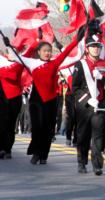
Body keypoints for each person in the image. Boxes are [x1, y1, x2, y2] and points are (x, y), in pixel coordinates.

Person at [6, 28, 83, 165]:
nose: (47, 53)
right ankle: (36, 152)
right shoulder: (32, 62)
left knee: (48, 129)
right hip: (36, 101)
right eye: (45, 51)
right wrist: (7, 45)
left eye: (49, 51)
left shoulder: (55, 63)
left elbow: (66, 53)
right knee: (37, 127)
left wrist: (78, 39)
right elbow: (14, 57)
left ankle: (43, 155)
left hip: (50, 101)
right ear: (39, 52)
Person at [73, 35, 105, 175]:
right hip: (86, 106)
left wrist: (102, 79)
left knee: (98, 136)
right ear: (87, 49)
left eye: (98, 46)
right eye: (93, 46)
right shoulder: (80, 64)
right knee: (83, 135)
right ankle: (82, 162)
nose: (96, 49)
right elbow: (75, 88)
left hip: (100, 104)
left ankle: (97, 165)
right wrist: (87, 99)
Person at [0, 55, 23, 159]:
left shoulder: (18, 64)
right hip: (2, 99)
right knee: (2, 123)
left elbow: (12, 75)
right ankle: (1, 148)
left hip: (14, 98)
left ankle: (8, 148)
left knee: (10, 124)